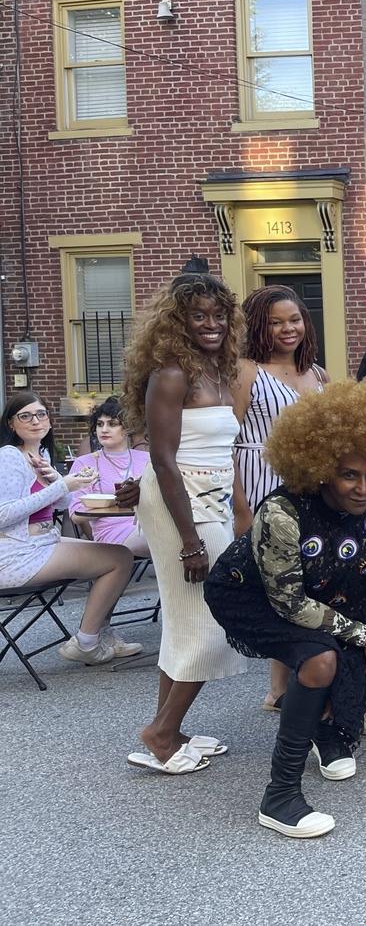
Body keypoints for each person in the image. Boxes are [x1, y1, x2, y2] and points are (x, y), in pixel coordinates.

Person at [205, 379, 366, 838]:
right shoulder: (282, 512)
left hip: (319, 592)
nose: (363, 488)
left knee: (334, 648)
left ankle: (324, 734)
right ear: (321, 467)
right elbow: (289, 601)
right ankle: (280, 795)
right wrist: (361, 633)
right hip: (251, 596)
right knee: (320, 658)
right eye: (349, 474)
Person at [122, 272, 251, 774]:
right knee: (213, 620)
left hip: (211, 499)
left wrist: (237, 511)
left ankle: (168, 730)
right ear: (178, 321)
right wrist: (192, 542)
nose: (212, 324)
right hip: (180, 505)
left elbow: (224, 451)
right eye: (199, 315)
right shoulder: (172, 374)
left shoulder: (218, 370)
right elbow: (162, 459)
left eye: (219, 315)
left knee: (182, 622)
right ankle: (159, 734)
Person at [233, 285, 328, 710]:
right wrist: (239, 507)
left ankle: (282, 687)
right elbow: (226, 441)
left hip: (312, 487)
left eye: (294, 319)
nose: (288, 329)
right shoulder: (246, 371)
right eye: (276, 321)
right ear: (258, 326)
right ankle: (279, 687)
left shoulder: (318, 374)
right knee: (277, 581)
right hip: (261, 481)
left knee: (303, 579)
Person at [1, 392, 142, 664]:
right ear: (11, 424)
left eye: (41, 414)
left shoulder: (38, 454)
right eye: (25, 416)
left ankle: (99, 633)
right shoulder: (8, 456)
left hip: (41, 543)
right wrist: (62, 485)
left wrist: (58, 482)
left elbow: (60, 504)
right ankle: (87, 642)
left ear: (49, 421)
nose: (35, 421)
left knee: (116, 554)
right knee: (118, 558)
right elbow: (3, 514)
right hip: (15, 555)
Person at [66, 395, 150, 557]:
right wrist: (110, 502)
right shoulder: (85, 463)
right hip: (112, 532)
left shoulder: (145, 459)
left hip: (147, 524)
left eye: (112, 424)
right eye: (99, 424)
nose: (104, 430)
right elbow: (75, 515)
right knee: (170, 538)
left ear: (127, 428)